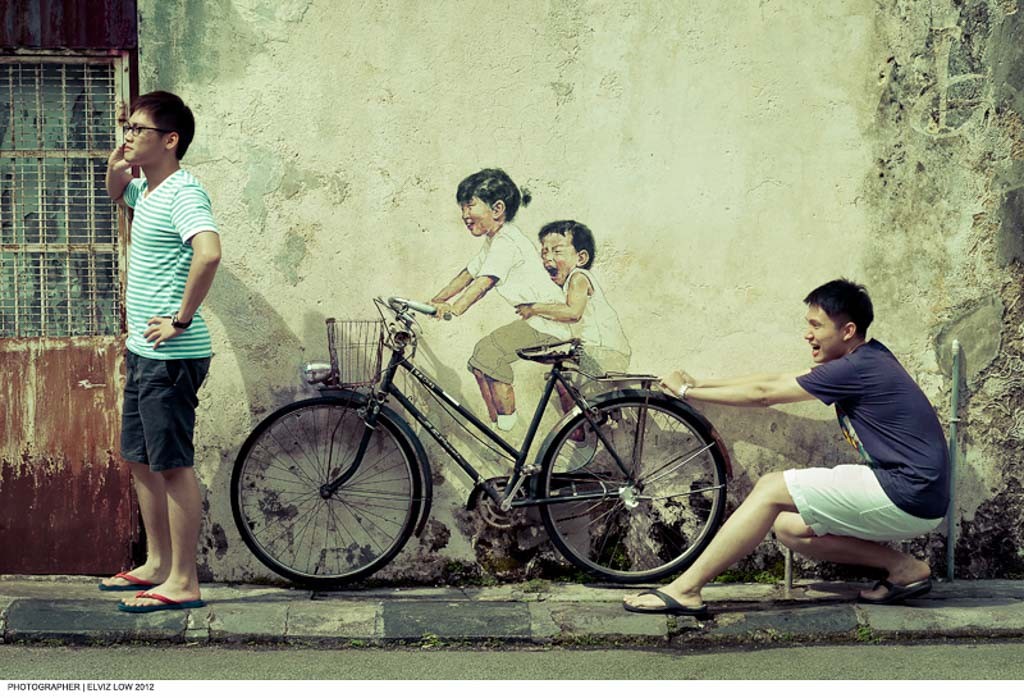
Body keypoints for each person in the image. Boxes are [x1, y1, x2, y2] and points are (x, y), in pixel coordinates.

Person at [623, 279, 949, 615]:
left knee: (770, 488)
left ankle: (686, 589)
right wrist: (698, 383)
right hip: (914, 492)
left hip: (908, 491)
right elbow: (774, 380)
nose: (807, 334)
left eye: (815, 325)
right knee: (790, 527)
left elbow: (764, 393)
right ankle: (906, 569)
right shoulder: (864, 359)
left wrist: (687, 393)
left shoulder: (857, 368)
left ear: (848, 330)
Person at [100, 91, 221, 613]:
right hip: (142, 353)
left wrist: (180, 319)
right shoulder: (148, 191)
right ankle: (155, 563)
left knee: (171, 465)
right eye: (127, 127)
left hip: (172, 358)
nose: (128, 135)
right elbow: (116, 191)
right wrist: (116, 162)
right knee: (141, 459)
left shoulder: (184, 193)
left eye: (138, 130)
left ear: (169, 141)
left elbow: (209, 252)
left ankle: (183, 580)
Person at [429, 168, 570, 431]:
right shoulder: (493, 242)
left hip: (547, 324)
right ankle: (497, 423)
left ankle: (509, 430)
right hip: (538, 323)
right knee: (479, 363)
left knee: (489, 353)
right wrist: (433, 301)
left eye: (470, 206)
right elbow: (467, 275)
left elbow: (484, 283)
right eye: (462, 208)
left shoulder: (507, 242)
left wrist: (455, 308)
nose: (464, 215)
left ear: (497, 209)